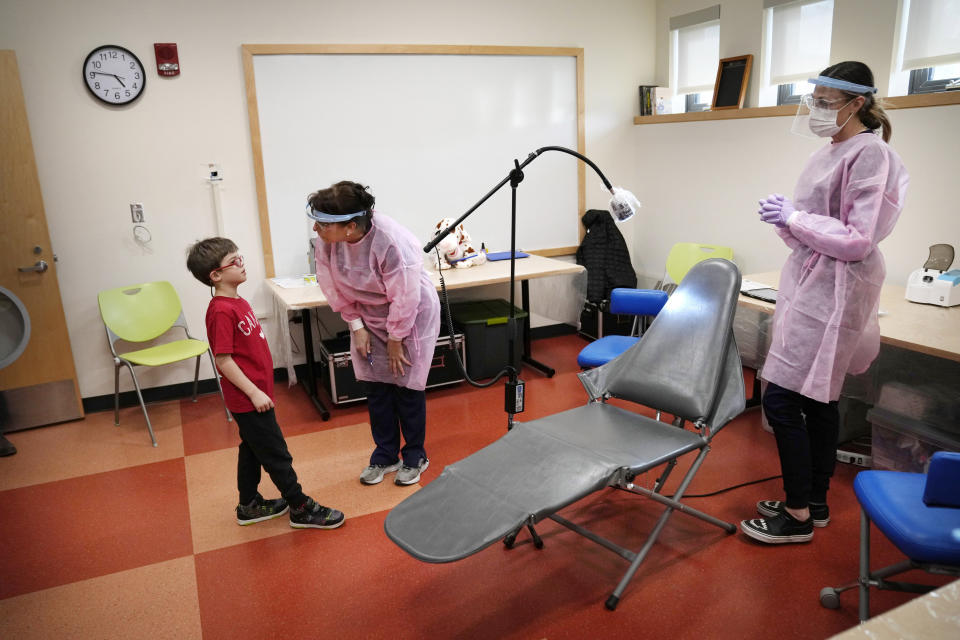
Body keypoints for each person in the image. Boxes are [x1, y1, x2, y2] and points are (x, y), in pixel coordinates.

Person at [740, 61, 908, 545]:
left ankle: (795, 517)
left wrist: (797, 218)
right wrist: (787, 221)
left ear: (857, 104)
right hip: (814, 283)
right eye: (813, 100)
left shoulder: (871, 154)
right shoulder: (830, 151)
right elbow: (817, 234)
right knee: (817, 398)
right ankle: (814, 502)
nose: (815, 110)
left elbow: (857, 240)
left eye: (825, 102)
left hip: (839, 290)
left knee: (783, 398)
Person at [187, 237, 345, 529]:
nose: (242, 263)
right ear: (216, 275)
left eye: (240, 256)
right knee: (275, 453)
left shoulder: (236, 300)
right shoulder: (221, 310)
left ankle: (248, 505)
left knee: (252, 448)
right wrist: (254, 392)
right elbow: (223, 361)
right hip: (248, 398)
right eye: (235, 261)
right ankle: (300, 507)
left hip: (256, 393)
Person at [308, 181, 440, 486]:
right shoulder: (329, 240)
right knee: (377, 387)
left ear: (351, 226)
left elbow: (405, 296)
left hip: (409, 316)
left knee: (406, 387)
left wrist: (397, 338)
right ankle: (385, 454)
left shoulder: (391, 242)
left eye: (323, 224)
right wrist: (356, 325)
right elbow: (331, 283)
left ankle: (415, 455)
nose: (316, 229)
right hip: (368, 316)